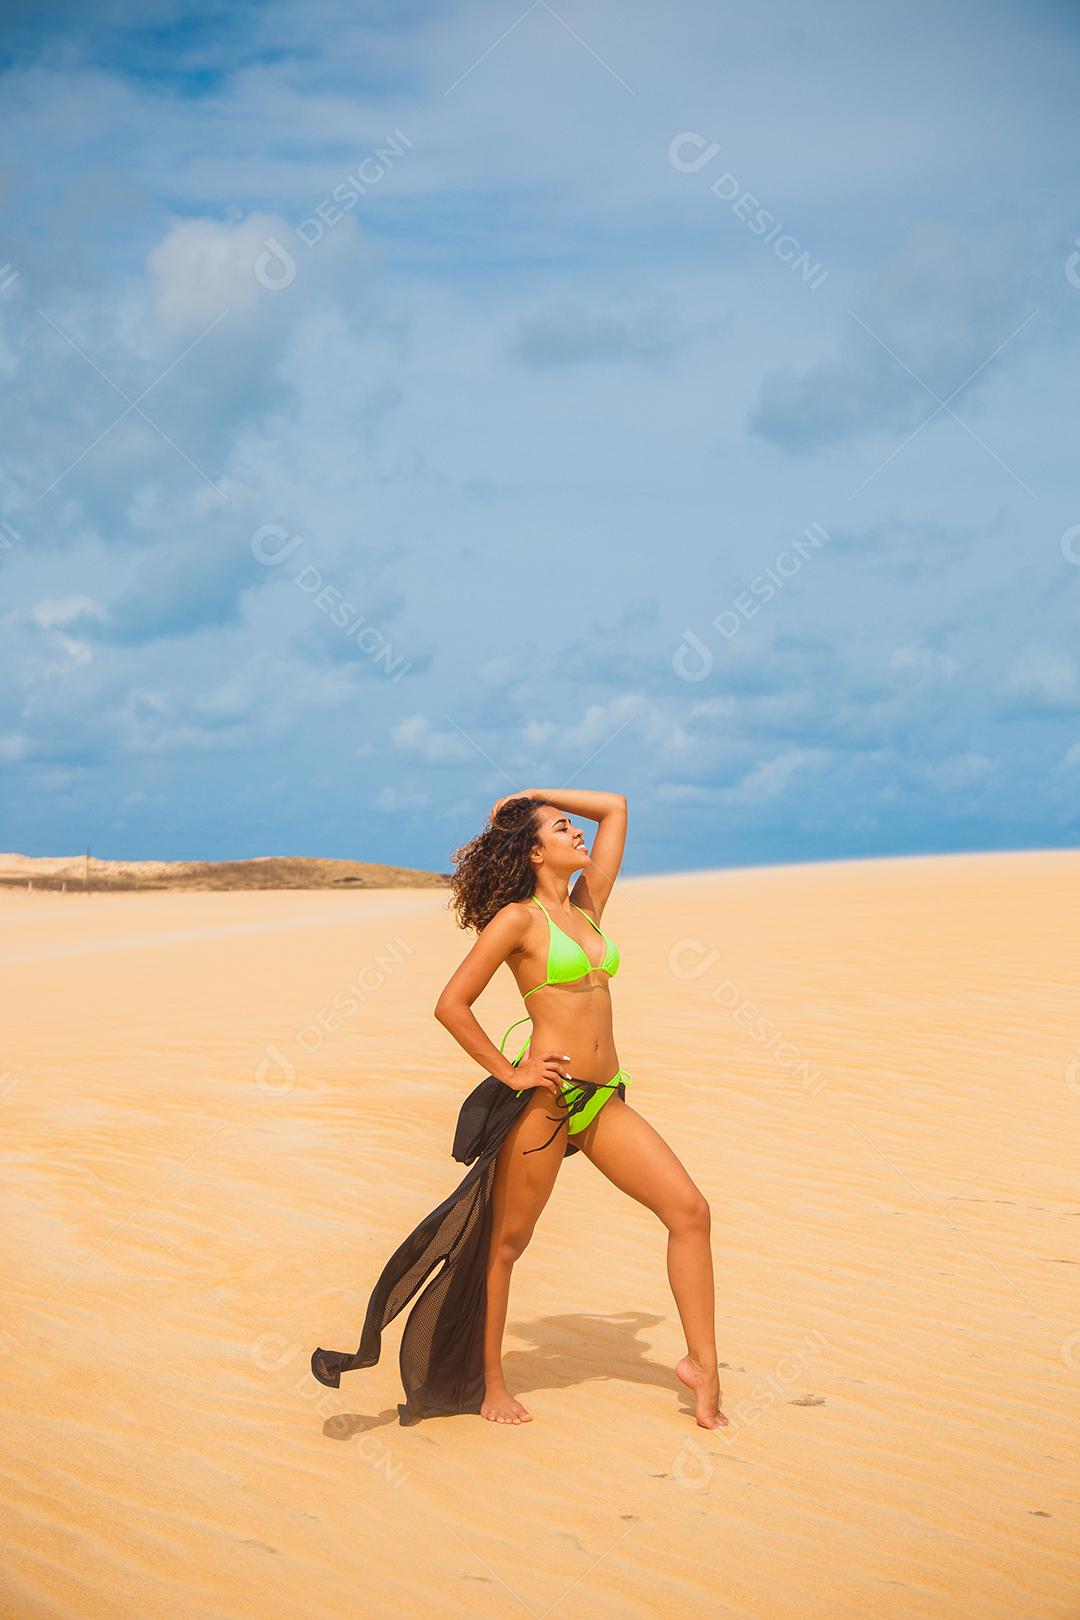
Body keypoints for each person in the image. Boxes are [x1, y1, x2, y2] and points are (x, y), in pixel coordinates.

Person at [311, 787, 727, 1431]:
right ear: (536, 852)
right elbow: (452, 1003)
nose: (577, 834)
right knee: (506, 1245)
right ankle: (491, 1385)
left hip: (602, 1097)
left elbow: (614, 806)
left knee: (690, 1211)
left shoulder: (588, 907)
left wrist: (534, 795)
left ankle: (704, 1367)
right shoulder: (517, 921)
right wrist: (512, 1071)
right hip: (548, 1101)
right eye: (562, 828)